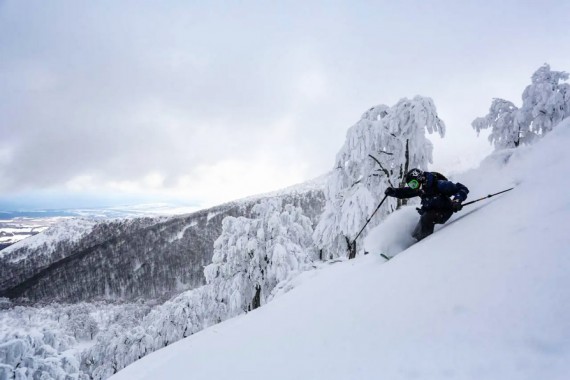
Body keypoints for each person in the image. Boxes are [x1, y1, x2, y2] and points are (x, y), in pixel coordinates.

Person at [384, 168, 469, 241]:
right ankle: (412, 242)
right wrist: (394, 192)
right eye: (411, 185)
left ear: (420, 179)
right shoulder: (421, 189)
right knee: (420, 224)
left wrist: (457, 200)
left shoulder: (438, 184)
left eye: (414, 184)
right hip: (432, 212)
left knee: (427, 218)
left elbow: (462, 188)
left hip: (445, 210)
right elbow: (405, 192)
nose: (414, 187)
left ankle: (422, 243)